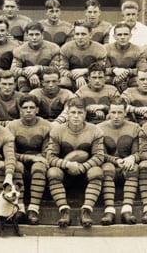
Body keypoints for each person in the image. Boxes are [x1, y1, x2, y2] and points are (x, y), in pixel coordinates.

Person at [46, 97, 105, 228]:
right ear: (67, 113)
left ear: (85, 114)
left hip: (85, 172)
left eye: (80, 113)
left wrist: (82, 167)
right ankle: (64, 210)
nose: (76, 116)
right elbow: (50, 157)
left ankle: (87, 210)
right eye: (73, 112)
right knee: (52, 172)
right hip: (65, 172)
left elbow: (99, 156)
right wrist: (67, 164)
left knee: (97, 171)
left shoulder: (95, 131)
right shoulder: (57, 131)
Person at [5, 94, 52, 225]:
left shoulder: (47, 126)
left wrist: (38, 159)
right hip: (19, 159)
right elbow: (10, 152)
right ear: (20, 110)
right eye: (25, 107)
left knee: (39, 167)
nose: (29, 110)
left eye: (32, 107)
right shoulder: (12, 126)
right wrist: (29, 157)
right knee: (16, 166)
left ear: (37, 109)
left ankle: (33, 209)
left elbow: (48, 151)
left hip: (40, 160)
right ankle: (19, 208)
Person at [97, 97, 141, 225]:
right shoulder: (99, 128)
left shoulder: (134, 127)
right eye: (113, 112)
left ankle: (127, 209)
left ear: (126, 113)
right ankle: (109, 210)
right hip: (109, 166)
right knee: (107, 168)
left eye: (120, 112)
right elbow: (99, 153)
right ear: (108, 113)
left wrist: (132, 158)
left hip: (126, 165)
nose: (116, 116)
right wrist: (115, 160)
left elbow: (139, 151)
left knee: (134, 168)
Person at [56, 21, 107, 90]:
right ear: (74, 35)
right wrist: (76, 76)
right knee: (63, 81)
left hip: (93, 77)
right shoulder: (66, 48)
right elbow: (62, 70)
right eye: (77, 34)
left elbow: (102, 69)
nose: (80, 37)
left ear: (90, 35)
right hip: (73, 78)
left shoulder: (99, 49)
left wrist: (85, 71)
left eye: (83, 34)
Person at [10, 21, 60, 92]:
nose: (34, 38)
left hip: (48, 78)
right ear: (27, 36)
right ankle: (26, 99)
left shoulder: (53, 48)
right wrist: (29, 74)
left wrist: (39, 68)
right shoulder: (19, 50)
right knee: (21, 79)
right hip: (28, 80)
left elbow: (56, 69)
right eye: (31, 35)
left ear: (42, 35)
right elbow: (13, 70)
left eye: (37, 34)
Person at [105, 22, 147, 91]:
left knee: (138, 81)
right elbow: (102, 68)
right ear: (114, 37)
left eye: (125, 34)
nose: (123, 37)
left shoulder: (138, 50)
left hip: (130, 78)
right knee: (105, 80)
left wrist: (128, 71)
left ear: (130, 36)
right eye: (119, 35)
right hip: (112, 77)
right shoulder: (106, 49)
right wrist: (113, 70)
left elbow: (143, 69)